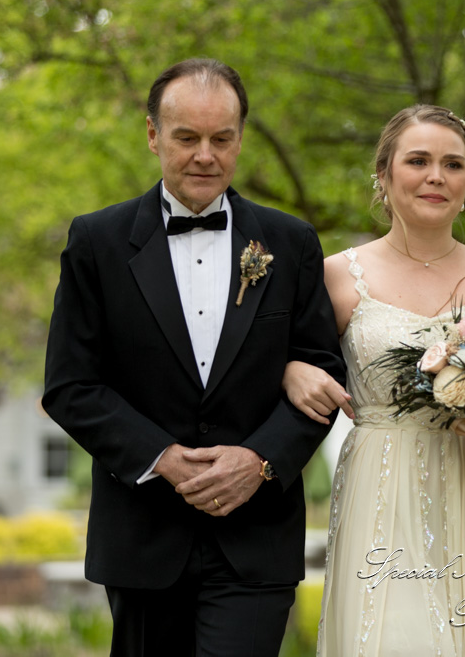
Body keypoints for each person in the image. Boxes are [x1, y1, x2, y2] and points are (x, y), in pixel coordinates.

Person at [42, 58, 345, 657]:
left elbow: (324, 375)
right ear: (153, 135)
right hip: (143, 538)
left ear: (240, 140)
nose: (205, 155)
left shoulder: (291, 243)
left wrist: (258, 461)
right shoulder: (95, 242)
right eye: (187, 138)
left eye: (221, 139)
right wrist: (161, 458)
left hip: (256, 541)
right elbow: (71, 385)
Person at [282, 104, 465, 656]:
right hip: (380, 489)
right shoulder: (335, 275)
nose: (436, 176)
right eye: (418, 160)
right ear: (383, 176)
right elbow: (286, 360)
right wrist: (291, 369)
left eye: (453, 165)